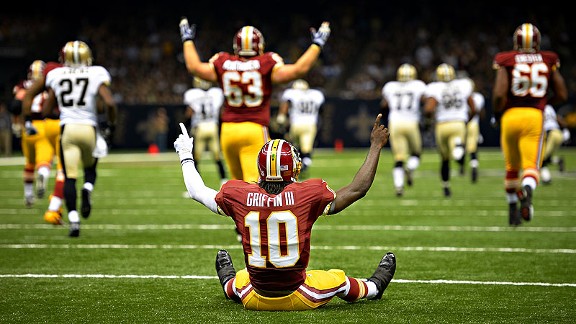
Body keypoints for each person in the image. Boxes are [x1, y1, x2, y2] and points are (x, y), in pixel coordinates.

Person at [174, 114, 396, 311]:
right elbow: (358, 189)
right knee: (336, 278)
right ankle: (374, 287)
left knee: (242, 278)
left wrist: (185, 154)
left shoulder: (238, 193)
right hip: (297, 295)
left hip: (254, 298)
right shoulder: (308, 194)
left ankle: (228, 283)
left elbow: (197, 191)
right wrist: (376, 146)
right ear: (293, 168)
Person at [178, 17, 330, 183]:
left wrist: (187, 40)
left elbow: (194, 67)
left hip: (228, 131)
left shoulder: (224, 62)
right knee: (255, 186)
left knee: (238, 185)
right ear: (260, 46)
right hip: (254, 129)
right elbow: (298, 70)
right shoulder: (266, 63)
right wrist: (317, 44)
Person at [492, 23, 568, 226]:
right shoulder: (548, 58)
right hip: (534, 115)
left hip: (510, 116)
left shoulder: (505, 59)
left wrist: (497, 113)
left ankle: (512, 212)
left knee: (511, 167)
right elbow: (562, 93)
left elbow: (499, 94)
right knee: (531, 167)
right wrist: (543, 102)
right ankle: (526, 190)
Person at [43, 40, 117, 237]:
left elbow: (46, 109)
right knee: (90, 169)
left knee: (69, 177)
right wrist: (111, 125)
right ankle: (87, 188)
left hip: (67, 129)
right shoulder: (95, 73)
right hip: (88, 128)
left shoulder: (56, 75)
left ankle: (74, 221)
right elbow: (109, 102)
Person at [21, 59, 67, 225]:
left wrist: (24, 122)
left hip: (35, 125)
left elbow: (19, 101)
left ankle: (29, 194)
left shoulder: (24, 85)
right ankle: (54, 208)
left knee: (33, 161)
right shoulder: (60, 76)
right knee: (64, 167)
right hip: (60, 123)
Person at [424, 63, 475, 197]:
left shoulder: (434, 87)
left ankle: (445, 185)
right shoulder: (463, 85)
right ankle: (458, 148)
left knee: (444, 159)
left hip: (442, 125)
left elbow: (428, 109)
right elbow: (473, 108)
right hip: (458, 123)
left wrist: (430, 118)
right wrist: (467, 120)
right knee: (457, 147)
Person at [380, 63, 426, 196]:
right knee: (416, 153)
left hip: (395, 123)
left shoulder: (390, 86)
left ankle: (399, 186)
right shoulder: (418, 85)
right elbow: (425, 101)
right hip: (411, 122)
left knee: (399, 158)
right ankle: (410, 168)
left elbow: (384, 105)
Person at [183, 76, 227, 189]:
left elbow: (189, 112)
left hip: (200, 127)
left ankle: (195, 186)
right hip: (213, 126)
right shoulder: (216, 93)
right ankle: (224, 181)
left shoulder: (191, 94)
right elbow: (222, 112)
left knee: (195, 158)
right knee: (217, 156)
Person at [276, 79, 325, 175]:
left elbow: (285, 105)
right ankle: (305, 163)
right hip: (310, 124)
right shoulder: (316, 94)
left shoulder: (291, 93)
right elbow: (321, 110)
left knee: (295, 146)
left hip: (296, 124)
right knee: (307, 148)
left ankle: (298, 164)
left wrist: (281, 117)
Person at [458, 83, 486, 183]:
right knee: (472, 148)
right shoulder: (479, 97)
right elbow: (482, 114)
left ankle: (461, 166)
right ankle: (474, 165)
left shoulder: (460, 95)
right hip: (474, 124)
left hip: (462, 123)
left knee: (460, 146)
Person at [540, 104, 570, 184]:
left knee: (541, 158)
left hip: (550, 134)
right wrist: (565, 129)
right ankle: (558, 160)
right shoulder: (549, 107)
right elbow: (558, 118)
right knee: (546, 156)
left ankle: (546, 178)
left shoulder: (538, 107)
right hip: (558, 133)